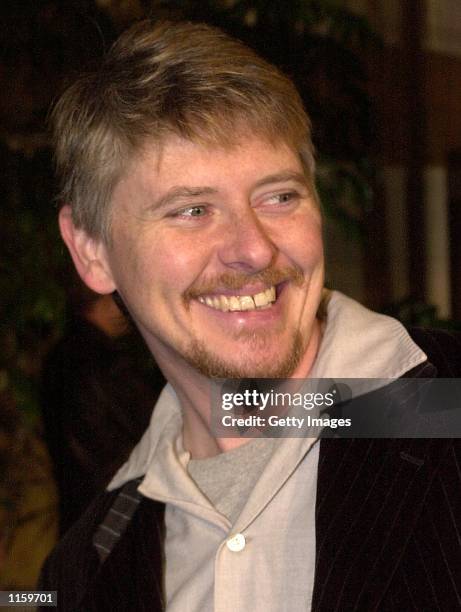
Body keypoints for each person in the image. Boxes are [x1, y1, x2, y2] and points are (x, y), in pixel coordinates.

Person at [39, 20, 461, 611]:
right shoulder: (85, 571)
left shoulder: (447, 411)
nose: (255, 249)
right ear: (91, 251)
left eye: (279, 196)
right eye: (191, 209)